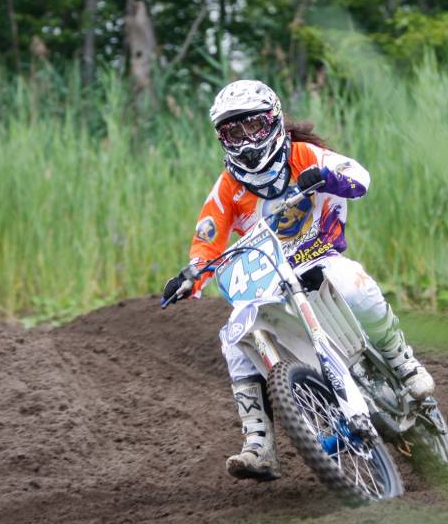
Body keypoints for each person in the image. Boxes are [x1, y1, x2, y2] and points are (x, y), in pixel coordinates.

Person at [161, 79, 434, 481]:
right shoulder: (227, 189)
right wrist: (191, 276)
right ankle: (259, 443)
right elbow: (206, 240)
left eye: (253, 126)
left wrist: (330, 178)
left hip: (318, 257)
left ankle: (401, 360)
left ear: (273, 121)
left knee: (355, 282)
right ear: (222, 138)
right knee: (233, 336)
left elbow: (356, 174)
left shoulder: (302, 155)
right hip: (267, 280)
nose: (247, 139)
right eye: (234, 132)